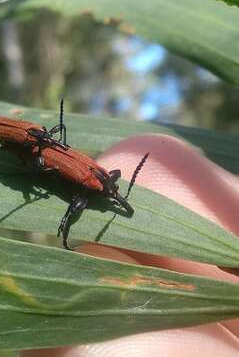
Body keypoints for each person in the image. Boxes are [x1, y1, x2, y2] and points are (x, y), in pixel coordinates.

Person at [22, 134, 239, 357]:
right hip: (49, 161)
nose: (117, 198)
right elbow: (95, 188)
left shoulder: (102, 178)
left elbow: (115, 178)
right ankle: (62, 225)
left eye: (114, 193)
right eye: (113, 193)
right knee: (71, 204)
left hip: (63, 160)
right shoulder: (92, 180)